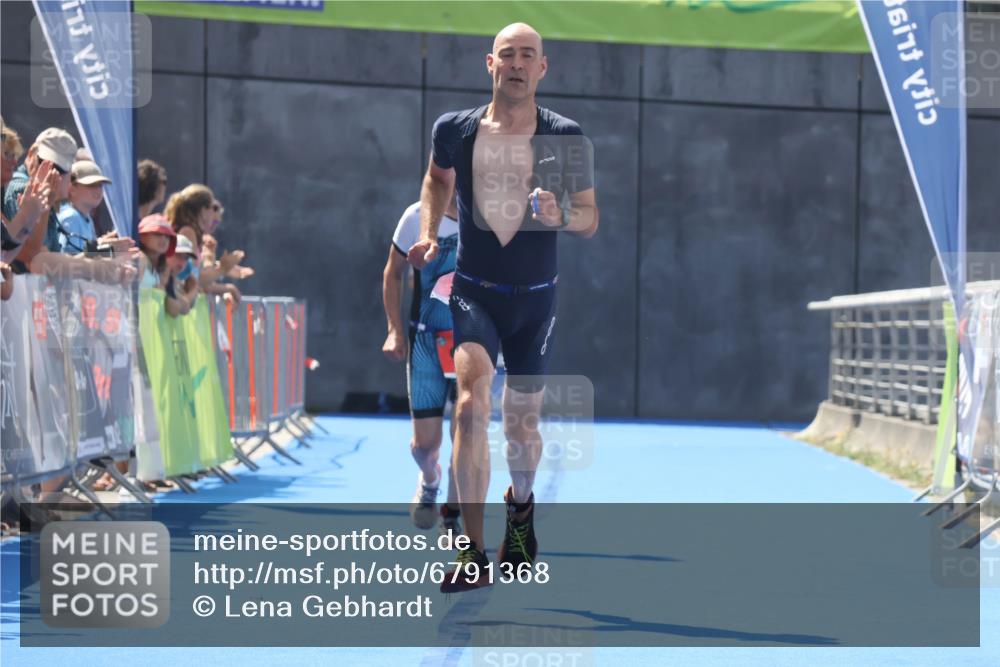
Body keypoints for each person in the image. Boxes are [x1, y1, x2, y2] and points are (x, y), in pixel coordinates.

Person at [409, 22, 598, 592]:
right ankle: (472, 552)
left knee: (521, 428)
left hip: (535, 301)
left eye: (527, 55)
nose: (517, 64)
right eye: (507, 54)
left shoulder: (564, 136)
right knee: (470, 406)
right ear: (489, 64)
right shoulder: (456, 130)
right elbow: (435, 180)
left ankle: (521, 508)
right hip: (474, 291)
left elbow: (590, 217)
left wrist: (561, 214)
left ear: (543, 68)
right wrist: (428, 232)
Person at [383, 196, 462, 534]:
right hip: (426, 342)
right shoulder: (415, 216)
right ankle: (430, 479)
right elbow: (393, 273)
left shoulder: (489, 214)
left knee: (466, 434)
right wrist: (394, 329)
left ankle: (452, 514)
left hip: (472, 341)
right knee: (424, 448)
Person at [3, 127, 77, 271]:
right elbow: (34, 257)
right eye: (44, 162)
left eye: (58, 169)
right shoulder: (22, 188)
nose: (50, 172)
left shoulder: (45, 195)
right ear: (31, 154)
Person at [55, 160, 112, 254]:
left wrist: (102, 244)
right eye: (91, 185)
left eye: (100, 185)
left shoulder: (85, 216)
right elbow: (69, 258)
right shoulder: (71, 217)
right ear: (72, 189)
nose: (98, 190)